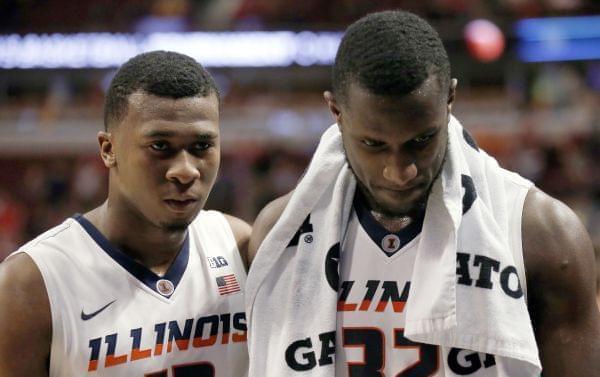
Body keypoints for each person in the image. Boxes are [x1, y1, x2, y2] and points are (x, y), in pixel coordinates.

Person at [246, 10, 600, 377]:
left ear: (450, 99)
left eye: (421, 141)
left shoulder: (544, 234)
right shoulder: (280, 233)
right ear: (335, 109)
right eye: (373, 144)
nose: (400, 171)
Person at [0, 51, 251, 376]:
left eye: (202, 146)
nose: (185, 170)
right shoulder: (27, 287)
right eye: (160, 146)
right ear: (108, 149)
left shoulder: (237, 245)